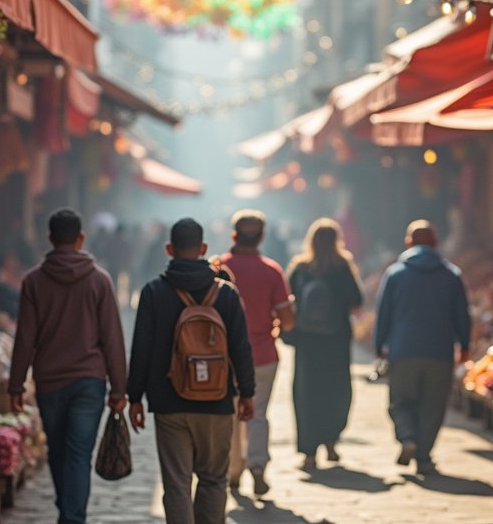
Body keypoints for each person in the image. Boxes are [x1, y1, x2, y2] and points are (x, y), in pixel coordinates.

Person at [127, 218, 256, 524]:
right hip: (217, 400)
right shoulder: (226, 294)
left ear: (170, 249)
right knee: (213, 480)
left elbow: (141, 349)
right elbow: (241, 348)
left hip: (169, 403)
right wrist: (247, 393)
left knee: (176, 484)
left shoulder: (154, 292)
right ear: (204, 249)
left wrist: (134, 397)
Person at [7, 209, 127, 524]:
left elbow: (25, 338)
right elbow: (112, 338)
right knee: (76, 455)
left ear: (50, 239)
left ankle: (70, 516)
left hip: (50, 382)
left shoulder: (34, 281)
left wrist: (16, 384)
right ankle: (71, 515)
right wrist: (119, 388)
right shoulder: (100, 280)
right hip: (90, 381)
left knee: (60, 453)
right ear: (81, 238)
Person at [373, 220, 471, 476]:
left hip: (403, 350)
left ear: (408, 243)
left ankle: (407, 438)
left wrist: (379, 345)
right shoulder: (451, 275)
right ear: (435, 243)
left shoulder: (395, 273)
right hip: (439, 351)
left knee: (400, 401)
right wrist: (465, 345)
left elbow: (383, 314)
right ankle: (424, 457)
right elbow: (462, 315)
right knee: (433, 406)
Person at [218, 210, 295, 496]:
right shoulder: (272, 270)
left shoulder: (220, 268)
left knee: (230, 413)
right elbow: (287, 319)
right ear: (262, 237)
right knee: (258, 413)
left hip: (224, 358)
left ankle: (233, 470)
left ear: (234, 235)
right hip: (263, 355)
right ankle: (258, 464)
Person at [285, 218, 363, 471]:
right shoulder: (342, 267)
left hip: (307, 341)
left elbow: (286, 303)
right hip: (335, 340)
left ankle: (308, 452)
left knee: (306, 392)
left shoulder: (299, 268)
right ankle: (330, 441)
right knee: (336, 390)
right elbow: (356, 300)